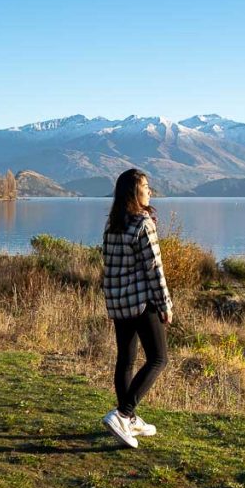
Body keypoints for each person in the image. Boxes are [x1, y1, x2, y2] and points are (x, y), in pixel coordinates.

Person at [100, 168, 173, 449]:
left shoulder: (112, 223)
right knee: (158, 358)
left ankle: (127, 423)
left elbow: (108, 263)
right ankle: (124, 413)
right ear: (134, 191)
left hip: (118, 302)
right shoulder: (143, 223)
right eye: (145, 186)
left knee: (126, 360)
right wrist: (165, 304)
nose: (150, 191)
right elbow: (154, 268)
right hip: (142, 302)